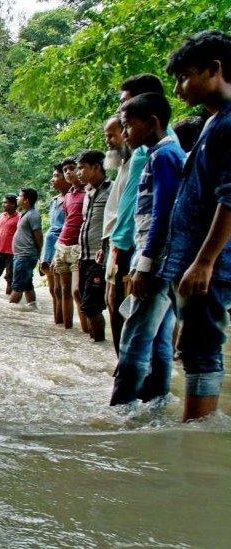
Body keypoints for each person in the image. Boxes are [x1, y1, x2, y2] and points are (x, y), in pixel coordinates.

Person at [159, 30, 231, 421]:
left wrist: (204, 262)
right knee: (194, 346)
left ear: (215, 70)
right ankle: (195, 426)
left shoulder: (227, 125)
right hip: (193, 259)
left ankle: (198, 430)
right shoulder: (211, 123)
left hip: (207, 265)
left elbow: (230, 198)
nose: (179, 87)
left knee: (202, 349)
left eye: (185, 76)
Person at [110, 93, 186, 407]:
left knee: (135, 338)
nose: (125, 134)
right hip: (162, 259)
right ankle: (155, 404)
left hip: (155, 262)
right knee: (158, 341)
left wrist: (144, 265)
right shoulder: (163, 153)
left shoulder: (163, 156)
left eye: (128, 126)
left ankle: (121, 410)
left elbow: (162, 214)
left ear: (152, 122)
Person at [102, 115, 132, 354]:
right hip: (114, 244)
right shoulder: (124, 165)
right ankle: (120, 360)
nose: (108, 141)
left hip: (126, 246)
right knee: (112, 301)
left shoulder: (141, 161)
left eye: (111, 135)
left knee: (119, 303)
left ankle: (126, 362)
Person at [77, 150, 111, 342]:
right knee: (86, 303)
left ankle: (99, 343)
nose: (78, 172)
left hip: (99, 258)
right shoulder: (88, 193)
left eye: (82, 167)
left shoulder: (113, 190)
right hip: (83, 256)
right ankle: (94, 343)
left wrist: (106, 249)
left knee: (91, 306)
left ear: (96, 167)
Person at [52, 157, 85, 330]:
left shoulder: (88, 192)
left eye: (72, 168)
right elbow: (67, 222)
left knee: (76, 291)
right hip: (62, 246)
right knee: (63, 290)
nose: (69, 172)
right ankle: (67, 331)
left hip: (79, 248)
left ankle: (88, 330)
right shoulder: (68, 197)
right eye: (65, 170)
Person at [41, 163, 70, 324]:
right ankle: (57, 322)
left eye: (56, 176)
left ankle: (64, 322)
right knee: (52, 289)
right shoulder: (54, 200)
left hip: (61, 245)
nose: (53, 180)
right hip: (49, 246)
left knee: (61, 289)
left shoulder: (71, 198)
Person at [10, 187, 43, 308]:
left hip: (25, 256)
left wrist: (40, 256)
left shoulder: (33, 215)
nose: (17, 198)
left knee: (17, 287)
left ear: (26, 200)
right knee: (27, 285)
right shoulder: (25, 214)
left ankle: (9, 313)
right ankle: (33, 309)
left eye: (20, 196)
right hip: (22, 256)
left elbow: (38, 236)